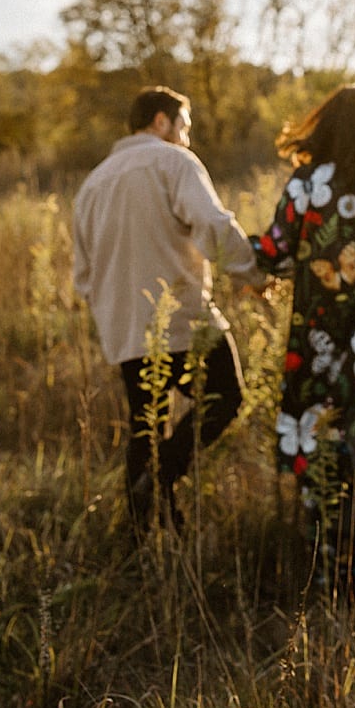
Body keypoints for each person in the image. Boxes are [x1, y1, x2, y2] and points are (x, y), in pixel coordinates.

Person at [73, 86, 263, 531]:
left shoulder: (92, 184)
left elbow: (82, 276)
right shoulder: (173, 161)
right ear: (162, 121)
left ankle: (144, 539)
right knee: (225, 397)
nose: (187, 138)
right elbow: (214, 225)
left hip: (125, 330)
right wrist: (252, 275)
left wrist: (113, 311)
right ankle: (160, 482)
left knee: (146, 426)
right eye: (186, 127)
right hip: (183, 319)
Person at [253, 84, 355, 581]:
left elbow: (274, 254)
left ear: (327, 127)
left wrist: (218, 243)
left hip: (317, 345)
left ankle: (324, 572)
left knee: (321, 450)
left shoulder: (307, 185)